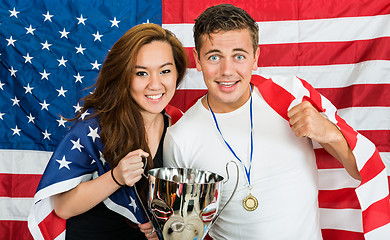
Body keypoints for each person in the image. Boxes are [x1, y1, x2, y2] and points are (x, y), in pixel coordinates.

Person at [163, 4, 390, 240]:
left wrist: (329, 133)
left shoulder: (291, 96)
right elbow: (184, 228)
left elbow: (360, 169)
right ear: (198, 60)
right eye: (214, 57)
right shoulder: (181, 137)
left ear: (255, 58)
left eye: (239, 56)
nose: (227, 70)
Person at [28, 23, 188, 240]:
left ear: (177, 73)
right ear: (124, 76)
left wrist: (164, 223)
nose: (155, 84)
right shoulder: (95, 128)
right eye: (141, 73)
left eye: (165, 71)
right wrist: (116, 177)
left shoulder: (179, 123)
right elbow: (63, 207)